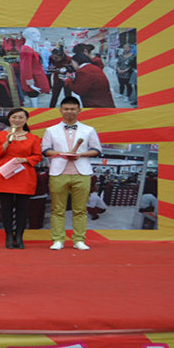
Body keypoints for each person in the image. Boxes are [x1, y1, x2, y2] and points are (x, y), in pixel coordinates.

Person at [42, 97, 102, 250]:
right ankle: (58, 240)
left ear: (79, 110)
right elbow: (46, 150)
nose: (69, 111)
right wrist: (62, 154)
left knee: (80, 209)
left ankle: (79, 240)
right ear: (61, 110)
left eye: (73, 109)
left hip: (82, 173)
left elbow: (96, 150)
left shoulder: (89, 130)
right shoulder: (51, 130)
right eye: (66, 109)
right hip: (58, 173)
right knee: (57, 209)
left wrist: (80, 155)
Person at [0, 108, 43, 249]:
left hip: (24, 174)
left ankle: (19, 236)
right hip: (4, 175)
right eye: (14, 117)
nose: (17, 120)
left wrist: (25, 159)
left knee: (22, 208)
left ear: (26, 120)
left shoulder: (33, 138)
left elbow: (37, 156)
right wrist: (7, 141)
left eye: (20, 117)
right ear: (9, 119)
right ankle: (8, 236)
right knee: (6, 207)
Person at [65, 43, 115, 108]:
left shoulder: (84, 70)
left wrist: (68, 80)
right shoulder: (93, 67)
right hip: (104, 101)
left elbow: (79, 89)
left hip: (95, 104)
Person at [19, 27, 51, 107]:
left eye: (38, 34)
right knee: (33, 95)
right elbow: (25, 67)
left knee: (34, 96)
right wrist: (30, 82)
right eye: (35, 34)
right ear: (29, 35)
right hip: (33, 78)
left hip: (35, 77)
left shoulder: (29, 49)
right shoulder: (27, 49)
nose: (38, 35)